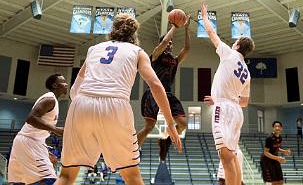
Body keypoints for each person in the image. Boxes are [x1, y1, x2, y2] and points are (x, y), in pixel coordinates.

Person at [55, 13, 182, 185]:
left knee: (66, 176)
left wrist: (86, 110)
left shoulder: (94, 49)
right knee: (131, 176)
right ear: (134, 34)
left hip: (81, 103)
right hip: (114, 105)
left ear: (112, 30)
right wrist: (170, 124)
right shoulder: (137, 51)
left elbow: (74, 90)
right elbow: (156, 86)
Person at [201, 3, 255, 185]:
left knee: (225, 156)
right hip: (236, 112)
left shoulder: (229, 53)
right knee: (232, 156)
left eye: (235, 41)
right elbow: (245, 102)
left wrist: (205, 17)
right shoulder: (247, 72)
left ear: (237, 45)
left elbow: (211, 33)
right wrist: (222, 99)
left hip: (223, 108)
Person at [137, 15, 191, 161]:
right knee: (149, 126)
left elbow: (186, 48)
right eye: (168, 43)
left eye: (172, 44)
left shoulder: (174, 60)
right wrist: (175, 26)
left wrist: (186, 29)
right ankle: (133, 150)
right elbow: (166, 40)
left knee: (183, 124)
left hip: (168, 93)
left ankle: (166, 136)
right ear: (161, 44)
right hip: (153, 92)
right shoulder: (155, 56)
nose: (170, 44)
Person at [8, 74, 68, 185]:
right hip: (29, 142)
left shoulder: (53, 100)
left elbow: (39, 129)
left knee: (20, 182)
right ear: (55, 85)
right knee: (48, 179)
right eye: (63, 82)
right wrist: (55, 130)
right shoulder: (50, 99)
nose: (66, 84)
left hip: (29, 141)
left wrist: (46, 151)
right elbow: (31, 118)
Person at [204, 96, 245, 185]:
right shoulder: (235, 111)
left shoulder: (231, 110)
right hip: (232, 151)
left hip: (231, 151)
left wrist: (218, 101)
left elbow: (242, 102)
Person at [260, 121, 291, 185]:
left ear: (281, 128)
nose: (277, 128)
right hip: (266, 161)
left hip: (274, 159)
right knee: (272, 182)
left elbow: (276, 148)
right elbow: (265, 152)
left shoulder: (280, 138)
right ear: (273, 128)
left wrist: (284, 151)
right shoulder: (269, 138)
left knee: (280, 181)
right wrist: (277, 158)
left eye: (279, 126)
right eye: (275, 126)